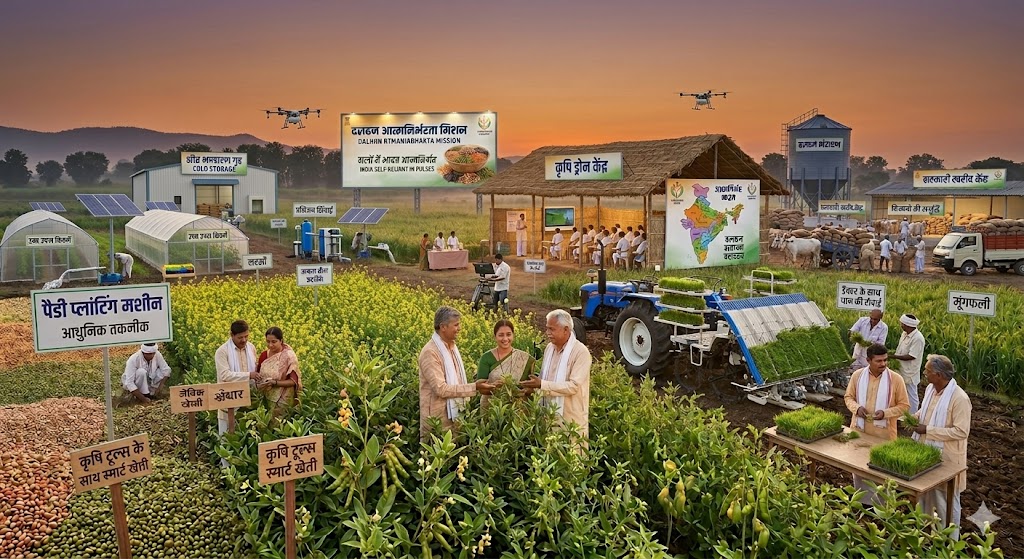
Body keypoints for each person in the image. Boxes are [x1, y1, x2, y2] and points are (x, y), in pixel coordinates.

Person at [912, 354, 971, 539]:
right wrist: (912, 419)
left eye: (927, 371)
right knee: (925, 497)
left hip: (947, 458)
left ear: (938, 374)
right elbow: (926, 410)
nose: (924, 373)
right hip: (925, 453)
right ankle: (927, 535)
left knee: (946, 500)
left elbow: (961, 432)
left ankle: (950, 541)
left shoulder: (959, 398)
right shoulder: (931, 388)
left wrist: (928, 430)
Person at [844, 343, 910, 502]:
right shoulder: (857, 376)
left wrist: (886, 413)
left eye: (885, 360)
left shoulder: (896, 379)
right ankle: (863, 504)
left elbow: (904, 406)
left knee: (883, 475)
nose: (883, 364)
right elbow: (848, 397)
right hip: (859, 432)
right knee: (859, 471)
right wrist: (857, 408)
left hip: (884, 436)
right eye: (879, 361)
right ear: (868, 360)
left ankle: (882, 509)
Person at [418, 306, 497, 440]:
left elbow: (457, 379)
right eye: (456, 325)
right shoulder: (430, 352)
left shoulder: (452, 347)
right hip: (437, 421)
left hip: (454, 418)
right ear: (443, 327)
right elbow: (441, 389)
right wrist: (474, 387)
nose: (459, 328)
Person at [519, 309, 592, 444]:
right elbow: (544, 379)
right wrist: (532, 389)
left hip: (570, 419)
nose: (547, 333)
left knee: (571, 459)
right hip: (548, 415)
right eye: (547, 329)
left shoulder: (580, 352)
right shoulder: (549, 348)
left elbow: (573, 386)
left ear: (566, 330)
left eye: (552, 329)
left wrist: (541, 385)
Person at [214, 320, 262, 435]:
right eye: (240, 337)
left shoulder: (251, 348)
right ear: (232, 335)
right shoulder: (222, 351)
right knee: (226, 436)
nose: (244, 340)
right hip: (229, 397)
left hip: (249, 397)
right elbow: (225, 375)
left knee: (248, 433)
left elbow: (255, 368)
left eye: (246, 336)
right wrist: (249, 375)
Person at [476, 319, 535, 406]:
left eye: (508, 334)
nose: (505, 339)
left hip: (518, 410)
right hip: (492, 408)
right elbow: (481, 388)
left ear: (513, 335)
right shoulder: (486, 358)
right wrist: (494, 387)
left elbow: (532, 388)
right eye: (500, 335)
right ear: (494, 336)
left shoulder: (524, 358)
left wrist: (524, 391)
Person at [255, 326, 302, 412]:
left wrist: (275, 383)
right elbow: (258, 374)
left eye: (274, 342)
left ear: (281, 341)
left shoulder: (289, 356)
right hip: (266, 397)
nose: (270, 345)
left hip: (284, 400)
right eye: (268, 342)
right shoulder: (264, 355)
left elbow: (293, 381)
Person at [890, 313, 926, 414]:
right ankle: (901, 412)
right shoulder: (905, 334)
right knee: (900, 391)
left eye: (902, 324)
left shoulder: (918, 338)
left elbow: (911, 356)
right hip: (900, 369)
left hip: (909, 371)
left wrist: (893, 357)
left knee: (911, 394)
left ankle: (913, 415)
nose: (901, 325)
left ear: (907, 325)